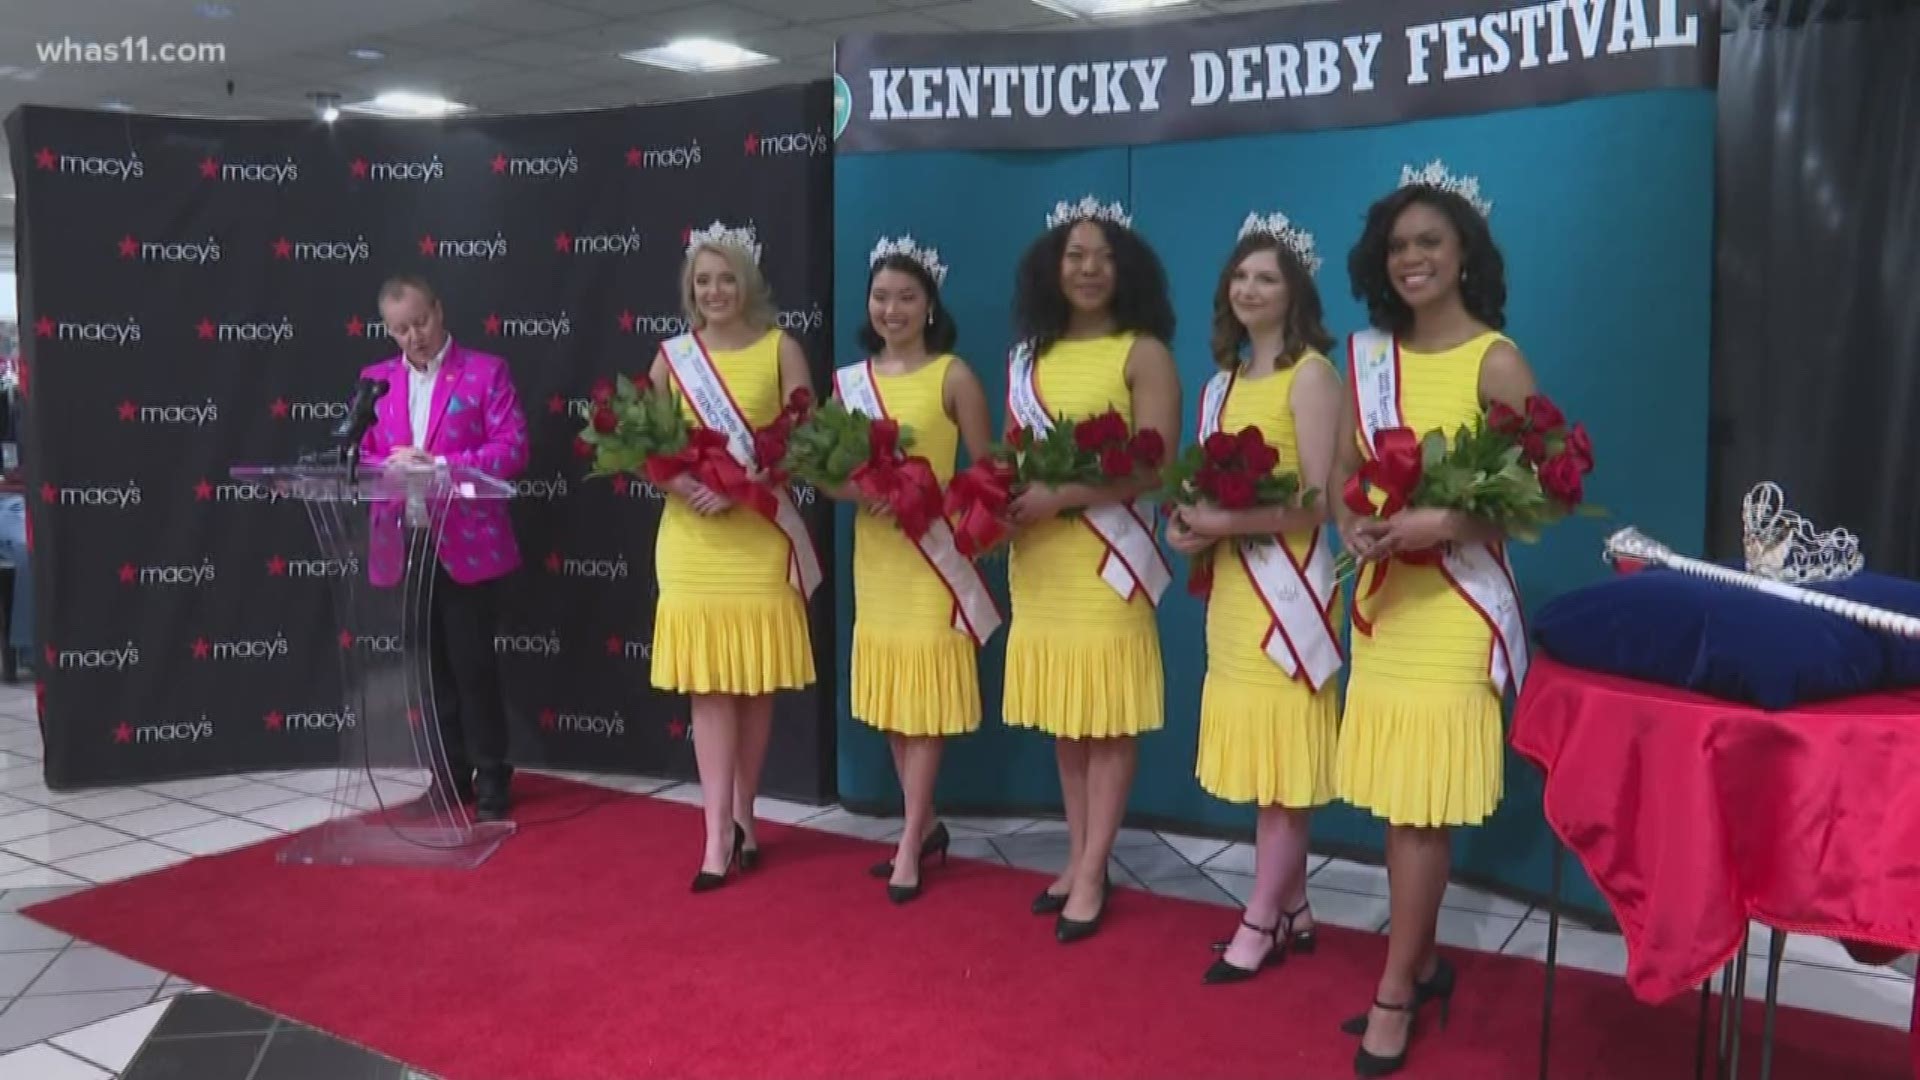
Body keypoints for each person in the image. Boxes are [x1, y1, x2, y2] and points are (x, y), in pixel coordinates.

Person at [1331, 168, 1540, 1077]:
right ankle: (1417, 961)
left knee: (1421, 809)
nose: (1412, 258)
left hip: (1455, 606)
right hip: (1384, 606)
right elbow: (1345, 471)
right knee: (1402, 806)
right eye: (1399, 245)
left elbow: (1536, 493)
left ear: (1464, 256)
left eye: (1430, 242)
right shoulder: (1368, 356)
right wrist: (1358, 525)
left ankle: (1393, 990)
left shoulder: (1497, 358)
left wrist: (1438, 523)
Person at [1163, 212, 1344, 984]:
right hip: (1236, 591)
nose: (1250, 288)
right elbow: (1204, 487)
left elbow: (1314, 503)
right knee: (1265, 759)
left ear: (1294, 290)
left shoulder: (1313, 376)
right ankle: (1296, 906)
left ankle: (1260, 919)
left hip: (1291, 592)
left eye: (1267, 276)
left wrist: (1224, 519)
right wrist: (1189, 528)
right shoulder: (1220, 385)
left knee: (1284, 766)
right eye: (1240, 275)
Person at [1003, 197, 1180, 943]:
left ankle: (1095, 865)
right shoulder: (1024, 359)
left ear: (1125, 270)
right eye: (1074, 255)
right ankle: (1081, 858)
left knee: (1105, 716)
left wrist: (1059, 496)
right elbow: (1015, 457)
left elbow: (1154, 464)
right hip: (1042, 562)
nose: (1087, 268)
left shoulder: (1143, 353)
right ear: (1053, 266)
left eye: (1103, 256)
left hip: (1111, 564)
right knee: (1068, 718)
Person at [646, 222, 819, 893]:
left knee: (753, 679)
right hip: (691, 541)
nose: (715, 291)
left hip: (756, 533)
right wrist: (679, 482)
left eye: (725, 278)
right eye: (703, 281)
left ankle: (746, 814)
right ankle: (715, 832)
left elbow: (805, 444)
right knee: (710, 686)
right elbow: (646, 448)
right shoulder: (672, 357)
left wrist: (750, 486)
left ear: (747, 282)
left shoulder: (782, 350)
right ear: (690, 289)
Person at [835, 237, 997, 903]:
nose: (892, 309)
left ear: (930, 304)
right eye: (882, 297)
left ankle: (907, 844)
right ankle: (923, 824)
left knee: (924, 696)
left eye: (906, 297)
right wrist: (861, 490)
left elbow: (986, 473)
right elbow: (827, 474)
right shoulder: (850, 382)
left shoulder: (954, 376)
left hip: (932, 558)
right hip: (877, 556)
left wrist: (938, 503)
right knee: (896, 701)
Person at [359, 275, 530, 821]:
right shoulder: (375, 383)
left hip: (466, 544)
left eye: (422, 321)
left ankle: (493, 778)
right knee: (429, 671)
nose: (415, 336)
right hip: (405, 541)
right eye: (401, 329)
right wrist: (379, 466)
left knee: (474, 666)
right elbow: (360, 456)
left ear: (440, 309)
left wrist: (439, 467)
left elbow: (513, 449)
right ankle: (448, 774)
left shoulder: (486, 372)